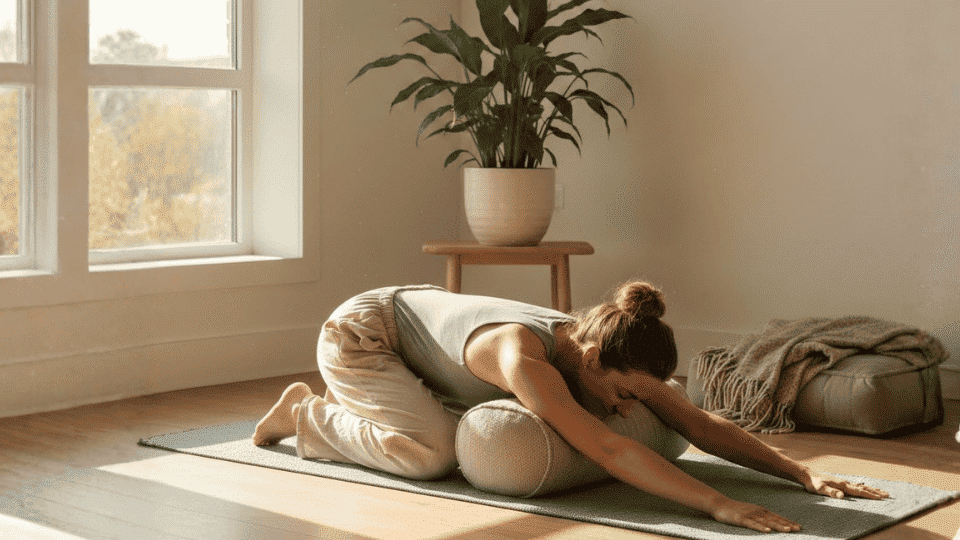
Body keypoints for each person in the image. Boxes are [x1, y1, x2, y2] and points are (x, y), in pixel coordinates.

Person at [253, 282, 889, 533]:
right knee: (433, 454)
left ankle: (362, 409)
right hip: (362, 336)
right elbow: (606, 447)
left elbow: (692, 419)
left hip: (421, 336)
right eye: (622, 391)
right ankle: (305, 415)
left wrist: (798, 472)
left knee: (441, 430)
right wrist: (716, 503)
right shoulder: (524, 357)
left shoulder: (607, 345)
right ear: (592, 363)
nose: (625, 404)